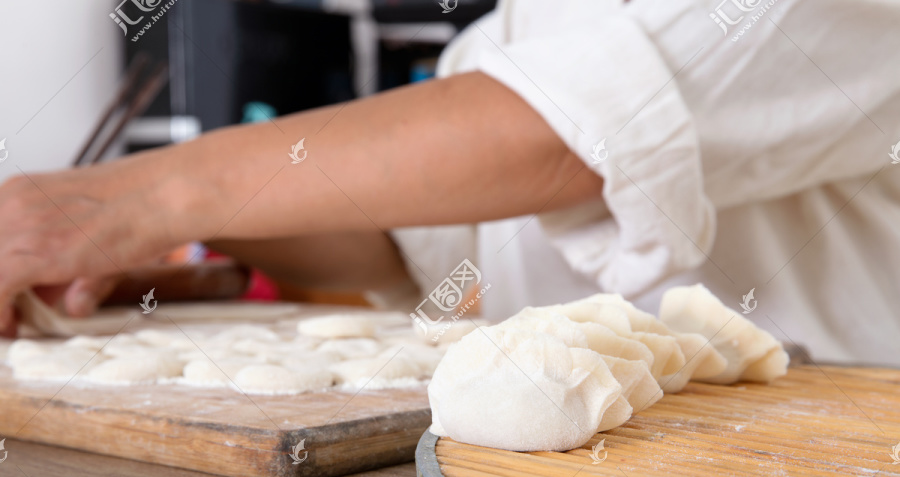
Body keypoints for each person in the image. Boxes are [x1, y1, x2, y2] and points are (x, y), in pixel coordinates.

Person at [1, 0, 898, 367]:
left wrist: (126, 198)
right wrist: (139, 233)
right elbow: (411, 239)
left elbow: (565, 133)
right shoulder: (536, 14)